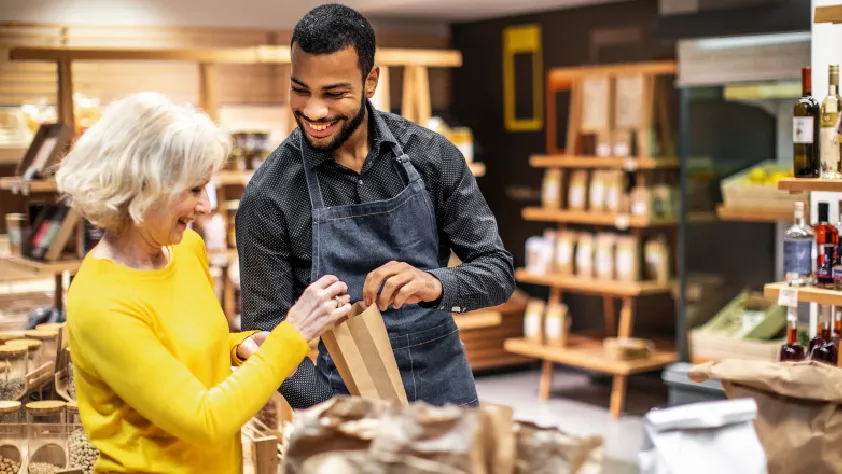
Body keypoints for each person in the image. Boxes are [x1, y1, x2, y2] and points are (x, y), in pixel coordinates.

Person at [55, 91, 352, 474]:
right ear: (143, 188)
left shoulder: (185, 250)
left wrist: (239, 347)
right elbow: (205, 420)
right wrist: (292, 333)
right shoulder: (101, 302)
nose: (206, 206)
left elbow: (182, 350)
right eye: (194, 190)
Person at [236, 3, 515, 409]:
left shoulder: (431, 157)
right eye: (301, 90)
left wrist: (435, 284)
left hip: (447, 396)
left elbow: (497, 272)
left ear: (370, 82)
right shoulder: (271, 195)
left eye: (334, 93)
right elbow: (264, 337)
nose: (314, 111)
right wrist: (335, 412)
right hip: (343, 399)